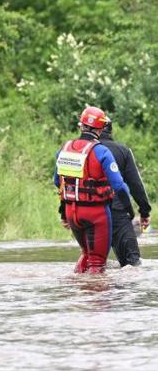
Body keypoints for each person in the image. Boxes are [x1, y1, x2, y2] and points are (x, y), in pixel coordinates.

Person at [55, 105, 130, 274]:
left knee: (86, 254)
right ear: (102, 128)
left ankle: (76, 293)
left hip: (71, 212)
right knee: (97, 263)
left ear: (81, 125)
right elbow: (119, 186)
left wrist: (63, 213)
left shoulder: (64, 149)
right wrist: (130, 210)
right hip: (96, 215)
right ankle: (97, 299)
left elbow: (57, 182)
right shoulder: (102, 151)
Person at [99, 118, 151, 267]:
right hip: (117, 212)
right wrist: (144, 211)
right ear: (111, 130)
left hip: (87, 212)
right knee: (132, 264)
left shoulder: (83, 151)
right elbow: (136, 185)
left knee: (93, 264)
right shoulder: (122, 151)